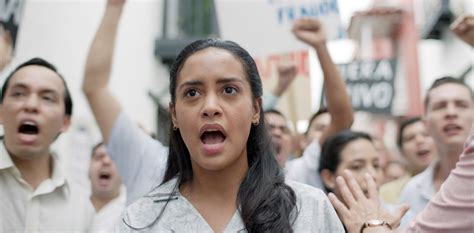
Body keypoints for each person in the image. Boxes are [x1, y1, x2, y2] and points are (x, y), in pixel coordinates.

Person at [116, 37, 344, 232]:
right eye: (192, 93)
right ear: (174, 115)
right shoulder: (140, 221)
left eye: (229, 90)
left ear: (255, 109)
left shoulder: (309, 210)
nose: (210, 107)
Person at [0, 58, 94, 232]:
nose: (31, 105)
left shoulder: (81, 208)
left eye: (47, 98)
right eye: (19, 94)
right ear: (0, 112)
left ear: (65, 122)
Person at [328, 124, 474, 233]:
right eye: (357, 166)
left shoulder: (400, 216)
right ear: (328, 177)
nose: (371, 174)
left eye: (376, 165)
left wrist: (373, 226)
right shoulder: (314, 217)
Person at [284, 18, 354, 189]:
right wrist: (320, 46)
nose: (331, 132)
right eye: (320, 129)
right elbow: (342, 118)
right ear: (303, 142)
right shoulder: (298, 170)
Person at [398, 76, 474, 220]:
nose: (451, 113)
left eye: (461, 105)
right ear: (426, 122)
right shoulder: (412, 191)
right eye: (440, 106)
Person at [380, 117, 436, 203]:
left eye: (426, 134)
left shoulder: (459, 183)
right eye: (410, 138)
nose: (419, 140)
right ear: (401, 151)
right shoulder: (387, 193)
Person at [89, 142, 125, 232]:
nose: (106, 161)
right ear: (88, 168)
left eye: (114, 158)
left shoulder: (132, 213)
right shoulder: (73, 206)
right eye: (99, 157)